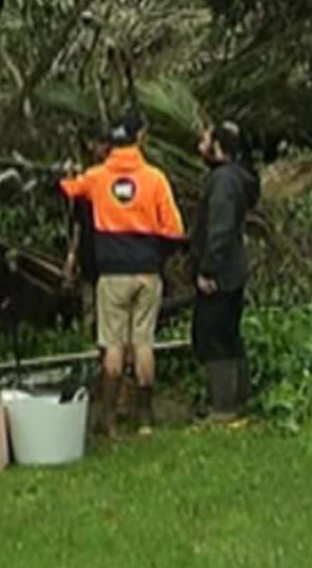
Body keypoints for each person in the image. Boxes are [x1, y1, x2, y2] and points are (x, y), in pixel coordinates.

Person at [60, 110, 185, 436]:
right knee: (143, 343)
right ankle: (145, 418)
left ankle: (110, 420)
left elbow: (68, 190)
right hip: (147, 271)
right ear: (138, 140)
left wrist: (65, 176)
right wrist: (156, 255)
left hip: (112, 273)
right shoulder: (155, 178)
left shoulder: (97, 177)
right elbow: (174, 230)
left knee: (112, 345)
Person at [189, 121, 260, 422]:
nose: (200, 145)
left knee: (213, 336)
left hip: (221, 271)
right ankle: (236, 400)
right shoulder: (237, 179)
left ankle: (223, 407)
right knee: (230, 334)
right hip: (232, 268)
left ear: (218, 148)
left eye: (205, 140)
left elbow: (220, 227)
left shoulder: (223, 182)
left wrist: (208, 269)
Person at [63, 128, 112, 340]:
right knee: (89, 312)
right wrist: (72, 258)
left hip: (111, 259)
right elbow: (78, 224)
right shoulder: (87, 182)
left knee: (110, 316)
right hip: (89, 258)